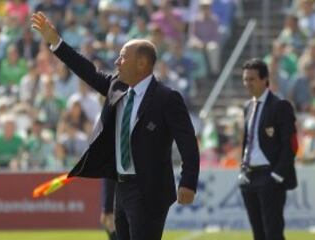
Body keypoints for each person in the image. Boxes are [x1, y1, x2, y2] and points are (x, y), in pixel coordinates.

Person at [31, 12, 199, 240]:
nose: (116, 62)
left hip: (149, 190)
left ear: (141, 63)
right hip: (122, 188)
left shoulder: (166, 98)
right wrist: (56, 41)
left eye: (122, 57)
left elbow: (188, 143)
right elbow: (86, 70)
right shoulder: (116, 88)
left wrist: (188, 181)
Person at [238, 58, 298, 240]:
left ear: (265, 80)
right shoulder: (248, 107)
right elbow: (248, 142)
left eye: (252, 79)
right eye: (245, 79)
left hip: (269, 176)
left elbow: (291, 144)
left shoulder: (280, 106)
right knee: (258, 234)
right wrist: (242, 169)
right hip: (249, 177)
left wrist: (277, 174)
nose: (247, 83)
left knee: (273, 233)